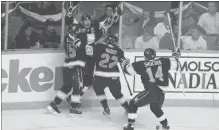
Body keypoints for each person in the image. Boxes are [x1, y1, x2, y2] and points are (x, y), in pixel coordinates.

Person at [122, 48, 181, 130]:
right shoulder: (164, 61)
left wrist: (125, 63)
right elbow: (176, 63)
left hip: (151, 90)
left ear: (145, 56)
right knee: (154, 107)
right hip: (162, 91)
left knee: (133, 103)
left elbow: (128, 71)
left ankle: (130, 125)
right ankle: (165, 125)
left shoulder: (140, 64)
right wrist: (176, 54)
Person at [47, 18, 86, 116]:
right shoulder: (77, 39)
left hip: (67, 66)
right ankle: (74, 109)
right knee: (77, 88)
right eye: (78, 30)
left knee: (67, 87)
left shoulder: (66, 37)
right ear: (75, 31)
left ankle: (54, 105)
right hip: (75, 66)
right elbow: (82, 48)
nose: (80, 31)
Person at [86, 34, 129, 116]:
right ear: (115, 42)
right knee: (118, 94)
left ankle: (106, 108)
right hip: (114, 76)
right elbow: (124, 61)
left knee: (99, 91)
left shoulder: (100, 46)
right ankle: (128, 109)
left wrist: (92, 43)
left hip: (100, 75)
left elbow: (89, 52)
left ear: (107, 41)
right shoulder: (119, 51)